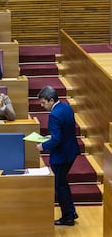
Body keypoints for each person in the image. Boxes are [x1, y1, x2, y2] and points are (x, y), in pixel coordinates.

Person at [36, 86, 80, 226]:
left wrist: (42, 146)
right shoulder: (66, 107)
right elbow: (64, 131)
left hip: (61, 157)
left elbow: (57, 139)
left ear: (51, 100)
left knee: (60, 186)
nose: (42, 106)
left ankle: (67, 217)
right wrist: (52, 136)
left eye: (43, 103)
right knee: (63, 183)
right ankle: (71, 212)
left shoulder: (54, 115)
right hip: (71, 152)